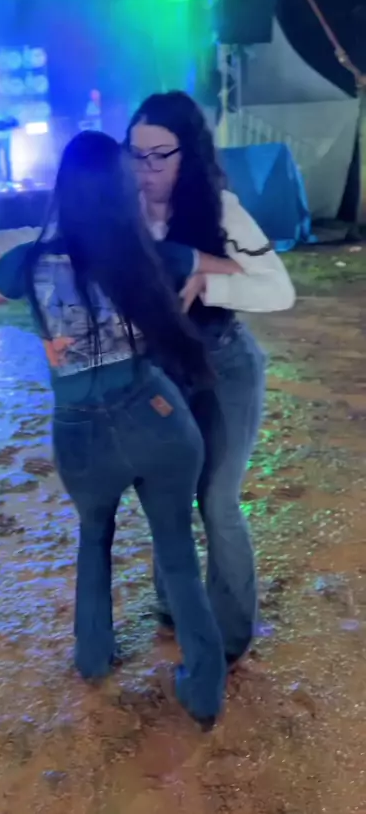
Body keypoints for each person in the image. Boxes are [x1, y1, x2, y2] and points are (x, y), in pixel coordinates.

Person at [0, 130, 235, 727]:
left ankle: (94, 657)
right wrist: (196, 284)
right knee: (178, 551)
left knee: (94, 537)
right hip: (158, 415)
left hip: (83, 433)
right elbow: (228, 267)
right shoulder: (153, 253)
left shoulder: (29, 262)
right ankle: (204, 691)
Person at [125, 91, 295, 667]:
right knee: (165, 494)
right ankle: (174, 605)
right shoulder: (122, 211)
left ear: (189, 154)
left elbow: (278, 289)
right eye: (137, 154)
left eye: (161, 155)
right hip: (159, 372)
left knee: (217, 499)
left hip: (225, 366)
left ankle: (230, 635)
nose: (147, 169)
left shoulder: (220, 210)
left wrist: (209, 283)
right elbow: (41, 239)